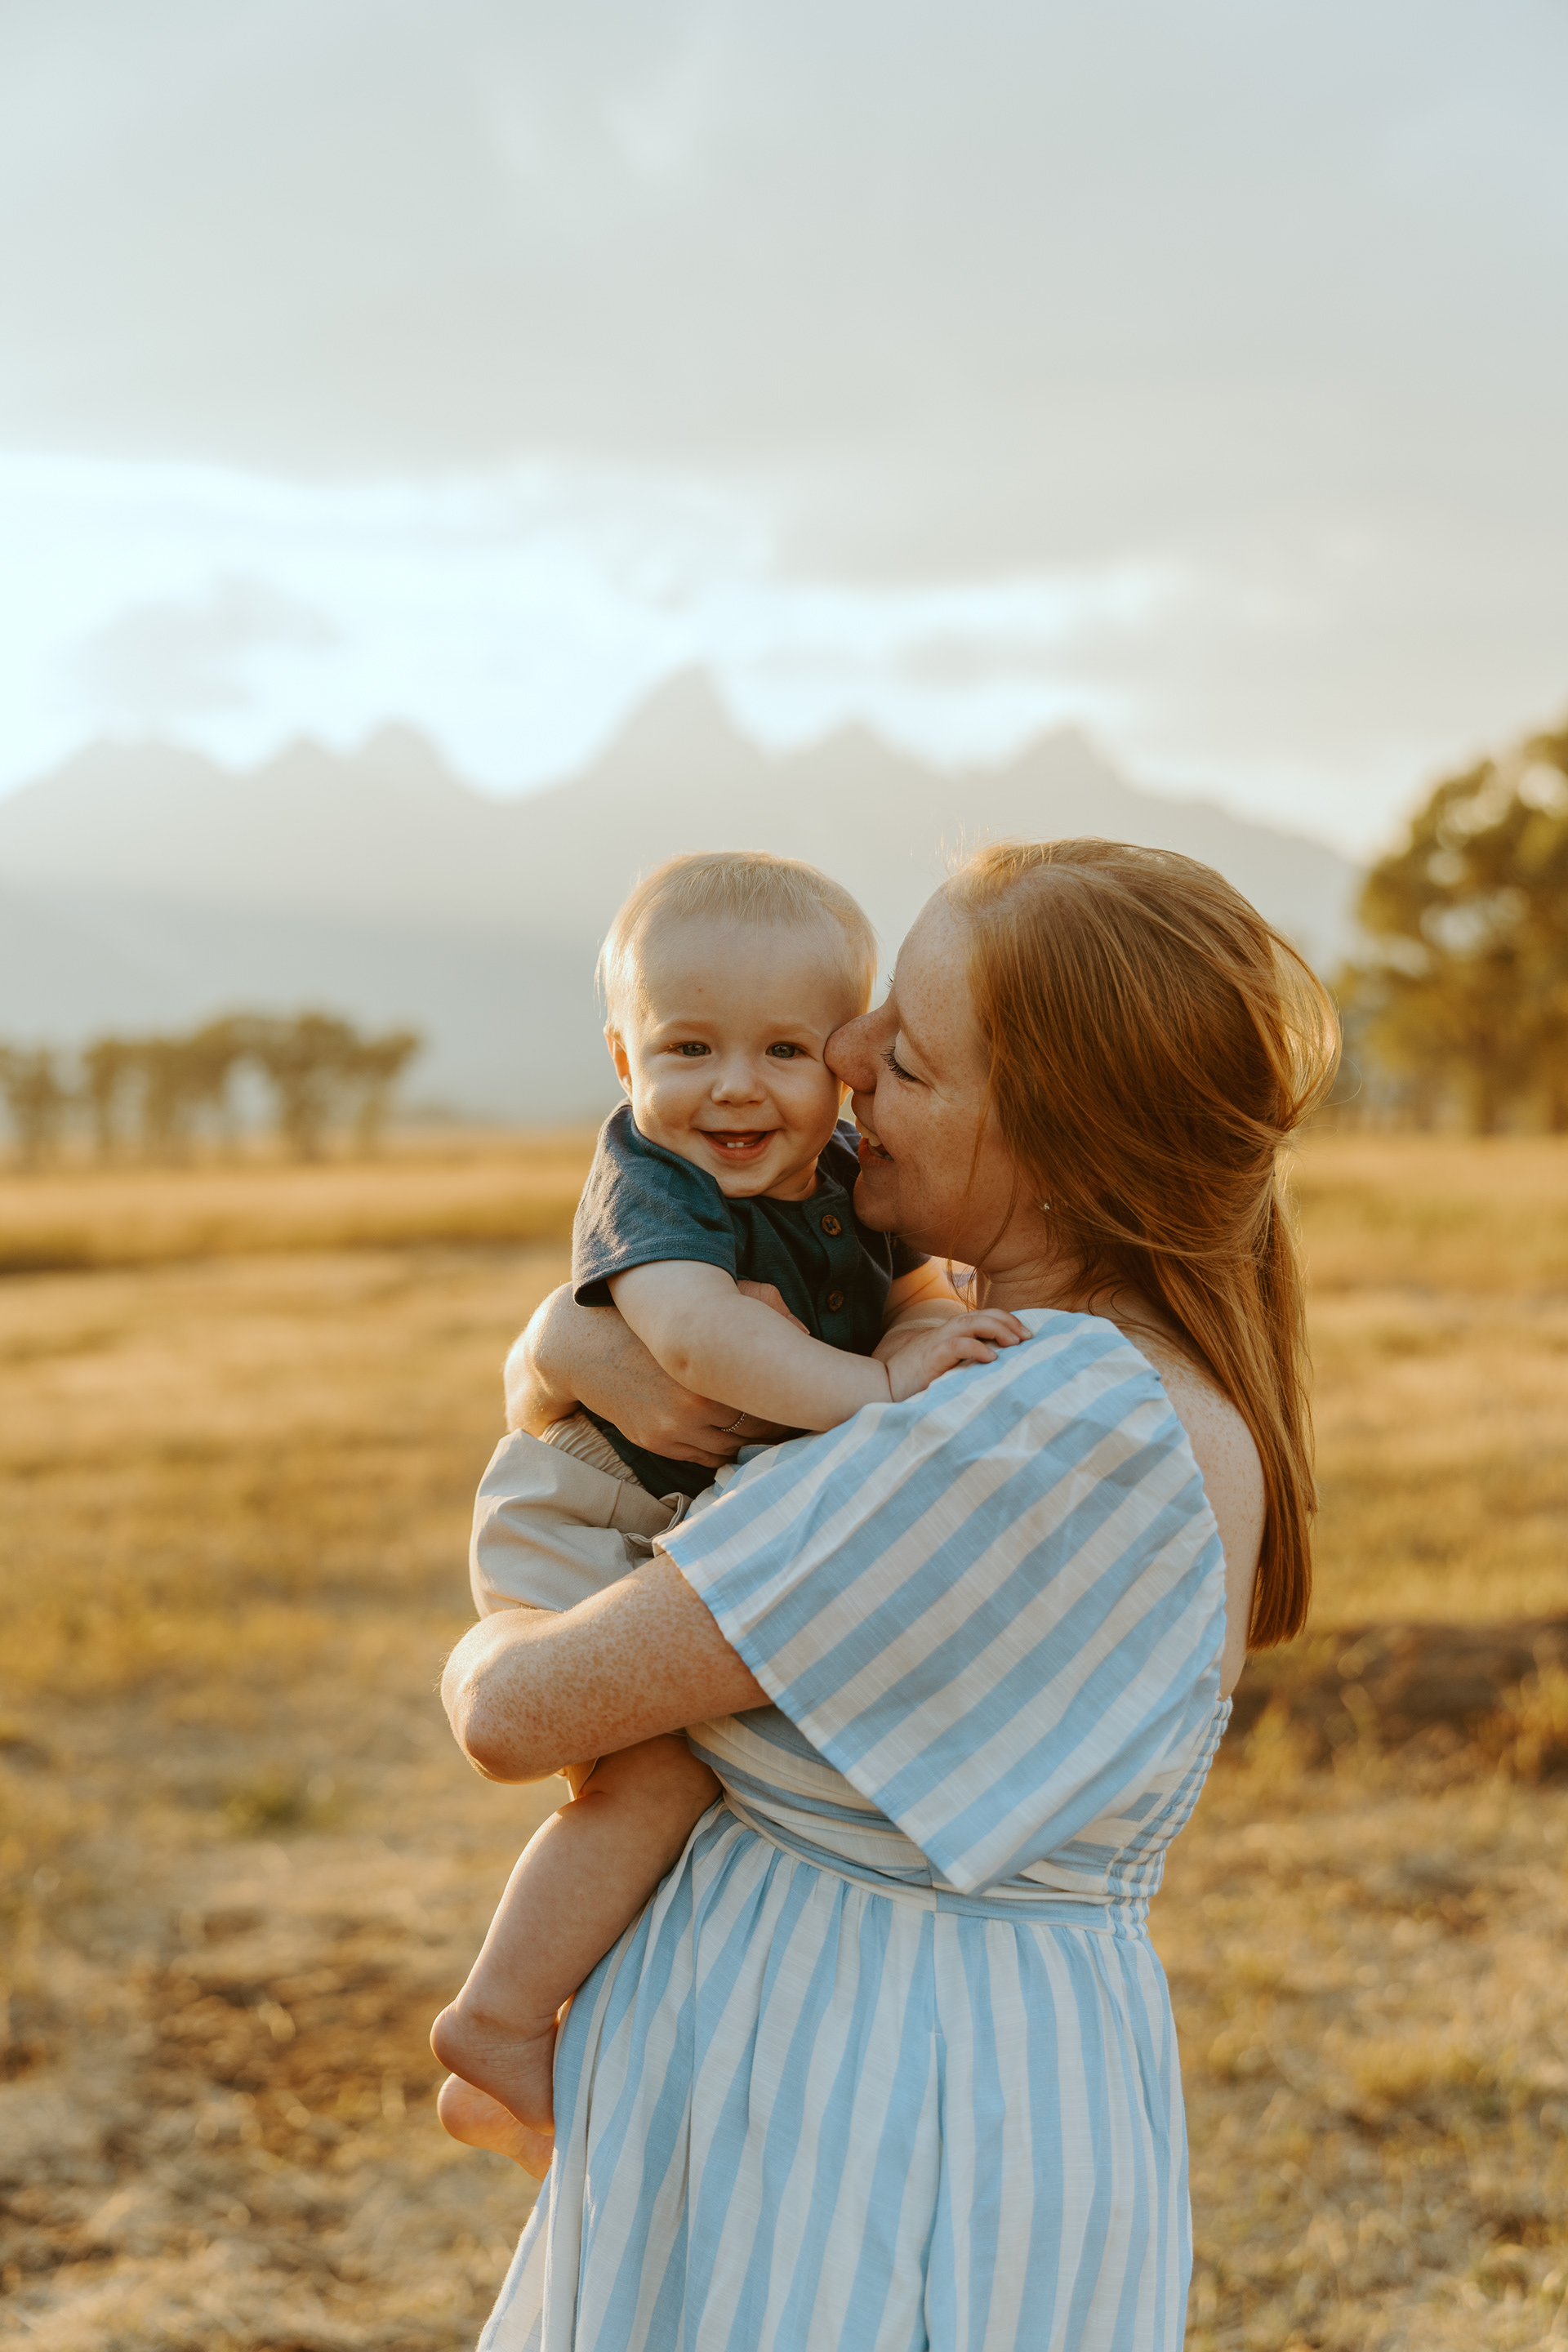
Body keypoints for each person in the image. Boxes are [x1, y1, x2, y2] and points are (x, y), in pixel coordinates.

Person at [441, 838, 1338, 2352]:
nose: (845, 1057)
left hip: (857, 2112)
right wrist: (555, 1348)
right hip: (862, 2081)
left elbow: (522, 1715)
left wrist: (488, 1637)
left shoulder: (1025, 1425)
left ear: (1051, 1140)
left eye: (906, 1057)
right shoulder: (1013, 1367)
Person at [432, 851, 1018, 2171]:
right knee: (658, 1773)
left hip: (664, 1509)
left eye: (784, 1049)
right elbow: (695, 1341)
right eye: (687, 1045)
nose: (736, 1085)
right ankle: (499, 2019)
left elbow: (916, 1280)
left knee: (698, 1782)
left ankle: (577, 2018)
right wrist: (874, 1388)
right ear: (622, 1056)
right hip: (589, 1504)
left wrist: (926, 1326)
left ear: (844, 1067)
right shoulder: (656, 1180)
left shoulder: (841, 1173)